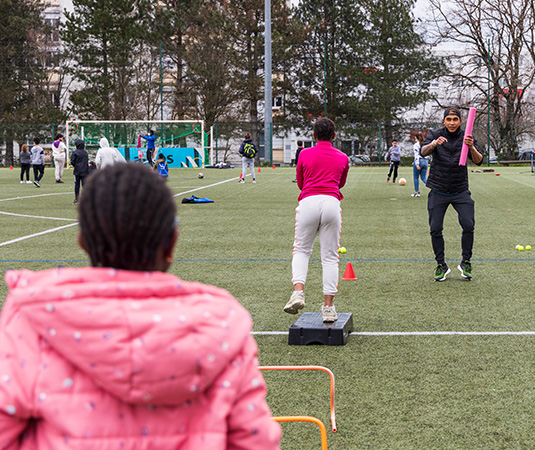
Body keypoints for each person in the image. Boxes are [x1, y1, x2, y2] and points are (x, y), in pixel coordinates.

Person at [0, 163, 282, 448]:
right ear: (172, 242)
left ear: (82, 242)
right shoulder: (223, 326)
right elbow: (254, 440)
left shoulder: (32, 317)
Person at [284, 118, 349, 323]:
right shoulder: (343, 157)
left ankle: (298, 293)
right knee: (330, 257)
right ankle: (328, 308)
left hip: (308, 202)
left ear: (313, 135)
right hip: (331, 202)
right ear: (334, 135)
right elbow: (341, 183)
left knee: (302, 250)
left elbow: (301, 183)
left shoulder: (304, 153)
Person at [420, 106, 483, 281]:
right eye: (449, 120)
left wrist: (471, 147)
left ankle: (466, 262)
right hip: (438, 189)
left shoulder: (467, 136)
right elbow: (423, 152)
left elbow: (478, 161)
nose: (452, 123)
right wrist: (433, 144)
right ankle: (441, 265)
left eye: (455, 120)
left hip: (460, 190)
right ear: (444, 121)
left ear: (460, 121)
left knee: (468, 225)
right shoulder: (435, 134)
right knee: (435, 229)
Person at [69, 139, 89, 205]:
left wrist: (75, 166)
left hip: (77, 171)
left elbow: (72, 161)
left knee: (77, 185)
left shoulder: (75, 152)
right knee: (84, 185)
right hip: (85, 171)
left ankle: (76, 199)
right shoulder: (85, 152)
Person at [411, 131, 429, 197]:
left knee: (416, 177)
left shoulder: (416, 145)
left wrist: (417, 164)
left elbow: (416, 155)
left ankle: (417, 192)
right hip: (425, 161)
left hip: (420, 161)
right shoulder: (425, 144)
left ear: (416, 138)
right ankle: (434, 188)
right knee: (424, 177)